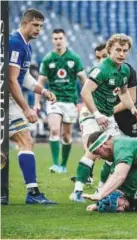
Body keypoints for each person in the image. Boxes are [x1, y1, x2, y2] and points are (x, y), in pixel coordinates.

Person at [70, 34, 137, 202]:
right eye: (118, 50)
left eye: (125, 50)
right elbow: (84, 92)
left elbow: (123, 92)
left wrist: (131, 107)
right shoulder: (101, 68)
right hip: (91, 115)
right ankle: (77, 192)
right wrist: (97, 114)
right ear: (109, 50)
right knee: (93, 151)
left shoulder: (125, 70)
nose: (121, 54)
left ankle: (101, 189)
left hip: (108, 116)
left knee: (115, 152)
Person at [8, 9, 57, 204]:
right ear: (25, 23)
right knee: (26, 140)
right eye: (35, 25)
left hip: (8, 98)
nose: (39, 30)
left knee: (24, 141)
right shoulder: (15, 43)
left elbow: (23, 77)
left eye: (41, 26)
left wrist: (42, 91)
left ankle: (32, 192)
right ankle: (33, 194)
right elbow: (12, 81)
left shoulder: (26, 45)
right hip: (6, 99)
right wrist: (27, 109)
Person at [34, 28, 89, 173]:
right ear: (52, 40)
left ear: (65, 39)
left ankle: (63, 165)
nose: (58, 41)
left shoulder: (74, 58)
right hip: (53, 100)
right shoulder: (48, 59)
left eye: (60, 38)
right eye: (55, 38)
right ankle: (55, 164)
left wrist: (88, 99)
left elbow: (84, 80)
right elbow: (39, 83)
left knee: (66, 135)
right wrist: (37, 102)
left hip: (70, 101)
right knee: (54, 130)